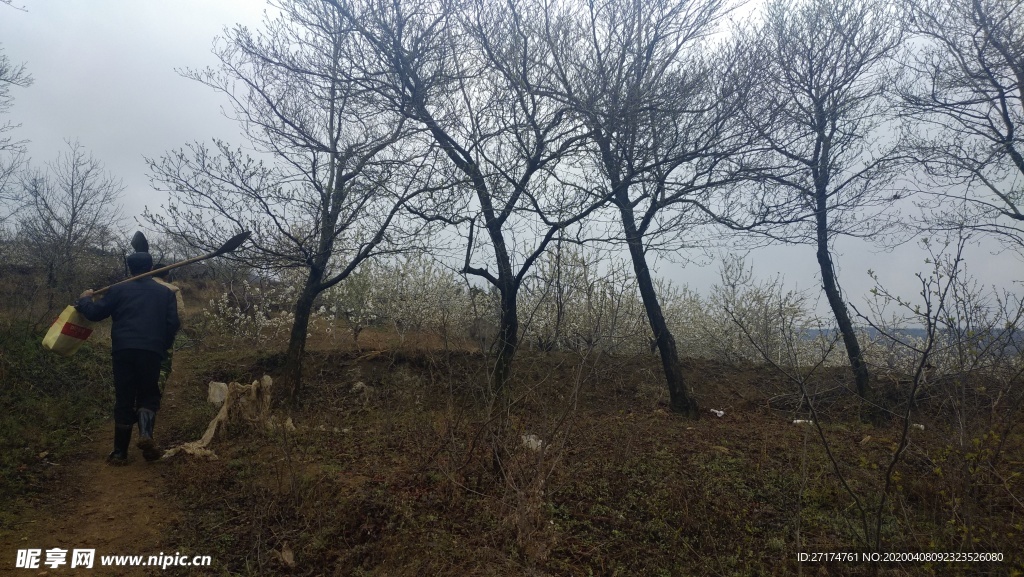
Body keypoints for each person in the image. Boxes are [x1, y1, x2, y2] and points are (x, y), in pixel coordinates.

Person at [76, 251, 180, 465]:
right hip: (151, 350)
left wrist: (85, 299)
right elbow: (173, 325)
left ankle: (119, 453)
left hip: (123, 350)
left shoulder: (117, 290)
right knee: (148, 393)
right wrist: (163, 346)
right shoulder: (165, 293)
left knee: (124, 396)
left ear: (129, 268)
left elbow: (95, 313)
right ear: (151, 268)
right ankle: (146, 434)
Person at [151, 263, 185, 390]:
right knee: (163, 367)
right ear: (166, 275)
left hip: (139, 334)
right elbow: (180, 314)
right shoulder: (172, 289)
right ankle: (154, 396)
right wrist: (176, 331)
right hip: (163, 335)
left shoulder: (139, 286)